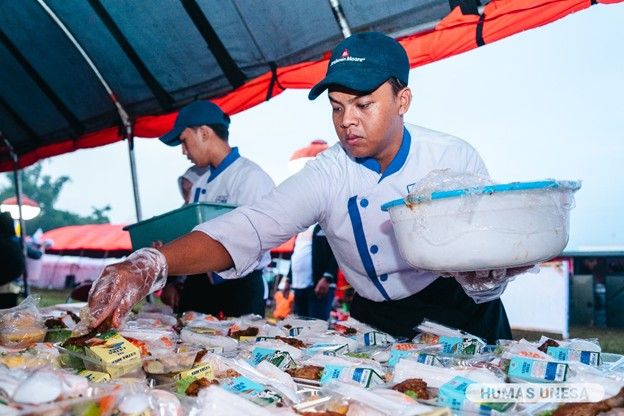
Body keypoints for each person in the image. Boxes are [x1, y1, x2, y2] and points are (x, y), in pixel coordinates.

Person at [87, 32, 528, 343]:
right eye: (336, 107)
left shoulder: (454, 157)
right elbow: (252, 227)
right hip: (375, 319)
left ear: (403, 101)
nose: (346, 121)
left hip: (459, 312)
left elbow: (486, 249)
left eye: (363, 104)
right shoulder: (329, 172)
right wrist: (152, 263)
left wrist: (488, 278)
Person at [157, 100, 275, 317]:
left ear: (204, 133)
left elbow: (255, 240)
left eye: (184, 141)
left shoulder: (251, 178)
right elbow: (189, 235)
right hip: (200, 281)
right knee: (188, 344)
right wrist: (172, 275)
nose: (184, 151)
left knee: (241, 345)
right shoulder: (200, 184)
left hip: (241, 286)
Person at [285, 223, 338, 321]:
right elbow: (295, 255)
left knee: (316, 329)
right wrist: (288, 280)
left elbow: (338, 252)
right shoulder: (299, 229)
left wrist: (327, 277)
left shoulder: (326, 224)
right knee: (301, 329)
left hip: (319, 286)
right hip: (299, 287)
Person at [0, 212, 25, 308]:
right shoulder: (16, 241)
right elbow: (36, 255)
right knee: (7, 318)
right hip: (10, 287)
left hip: (8, 285)